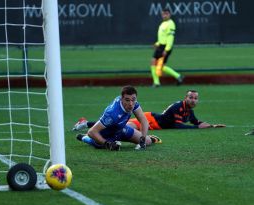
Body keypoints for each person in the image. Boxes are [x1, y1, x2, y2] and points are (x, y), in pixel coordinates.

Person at [73, 90, 226, 131]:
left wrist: (210, 125)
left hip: (155, 124)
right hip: (150, 119)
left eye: (195, 98)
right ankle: (86, 124)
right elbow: (177, 125)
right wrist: (196, 128)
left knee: (118, 127)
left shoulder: (188, 110)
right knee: (117, 125)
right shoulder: (178, 107)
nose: (193, 100)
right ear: (185, 98)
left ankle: (87, 125)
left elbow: (195, 121)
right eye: (191, 97)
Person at [75, 85, 161, 151]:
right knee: (98, 143)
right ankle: (84, 138)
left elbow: (144, 121)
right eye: (127, 100)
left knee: (147, 141)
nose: (131, 103)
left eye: (133, 99)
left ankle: (142, 138)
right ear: (121, 99)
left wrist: (142, 139)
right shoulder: (112, 114)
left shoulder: (134, 103)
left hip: (120, 129)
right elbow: (92, 132)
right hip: (106, 135)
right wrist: (107, 144)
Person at [150, 9, 184, 87]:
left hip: (165, 47)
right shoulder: (163, 23)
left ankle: (157, 82)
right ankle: (178, 76)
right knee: (156, 64)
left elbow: (170, 38)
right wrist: (157, 43)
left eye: (166, 14)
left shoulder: (171, 24)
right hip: (161, 46)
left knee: (157, 64)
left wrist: (166, 49)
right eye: (163, 14)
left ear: (170, 14)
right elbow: (163, 37)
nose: (164, 15)